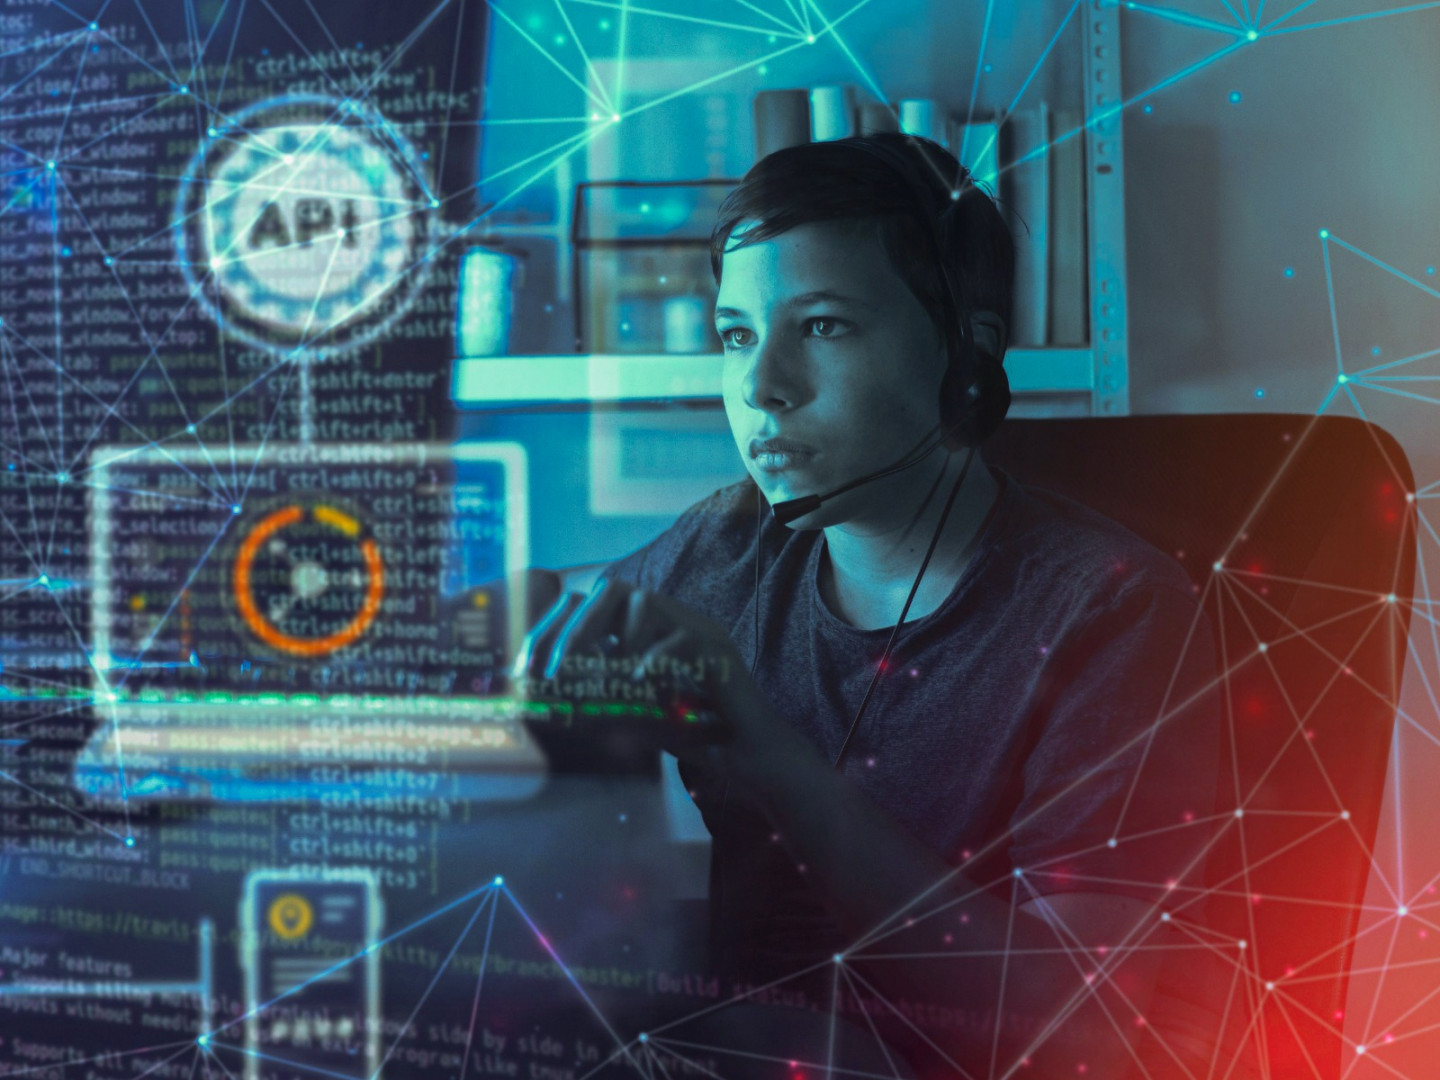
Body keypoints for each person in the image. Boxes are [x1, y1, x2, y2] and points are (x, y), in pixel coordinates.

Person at [516, 133, 1237, 1078]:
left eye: (822, 327)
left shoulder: (1114, 614)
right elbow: (533, 609)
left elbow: (1079, 1025)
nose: (760, 386)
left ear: (966, 360)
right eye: (737, 334)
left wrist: (756, 743)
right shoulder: (729, 545)